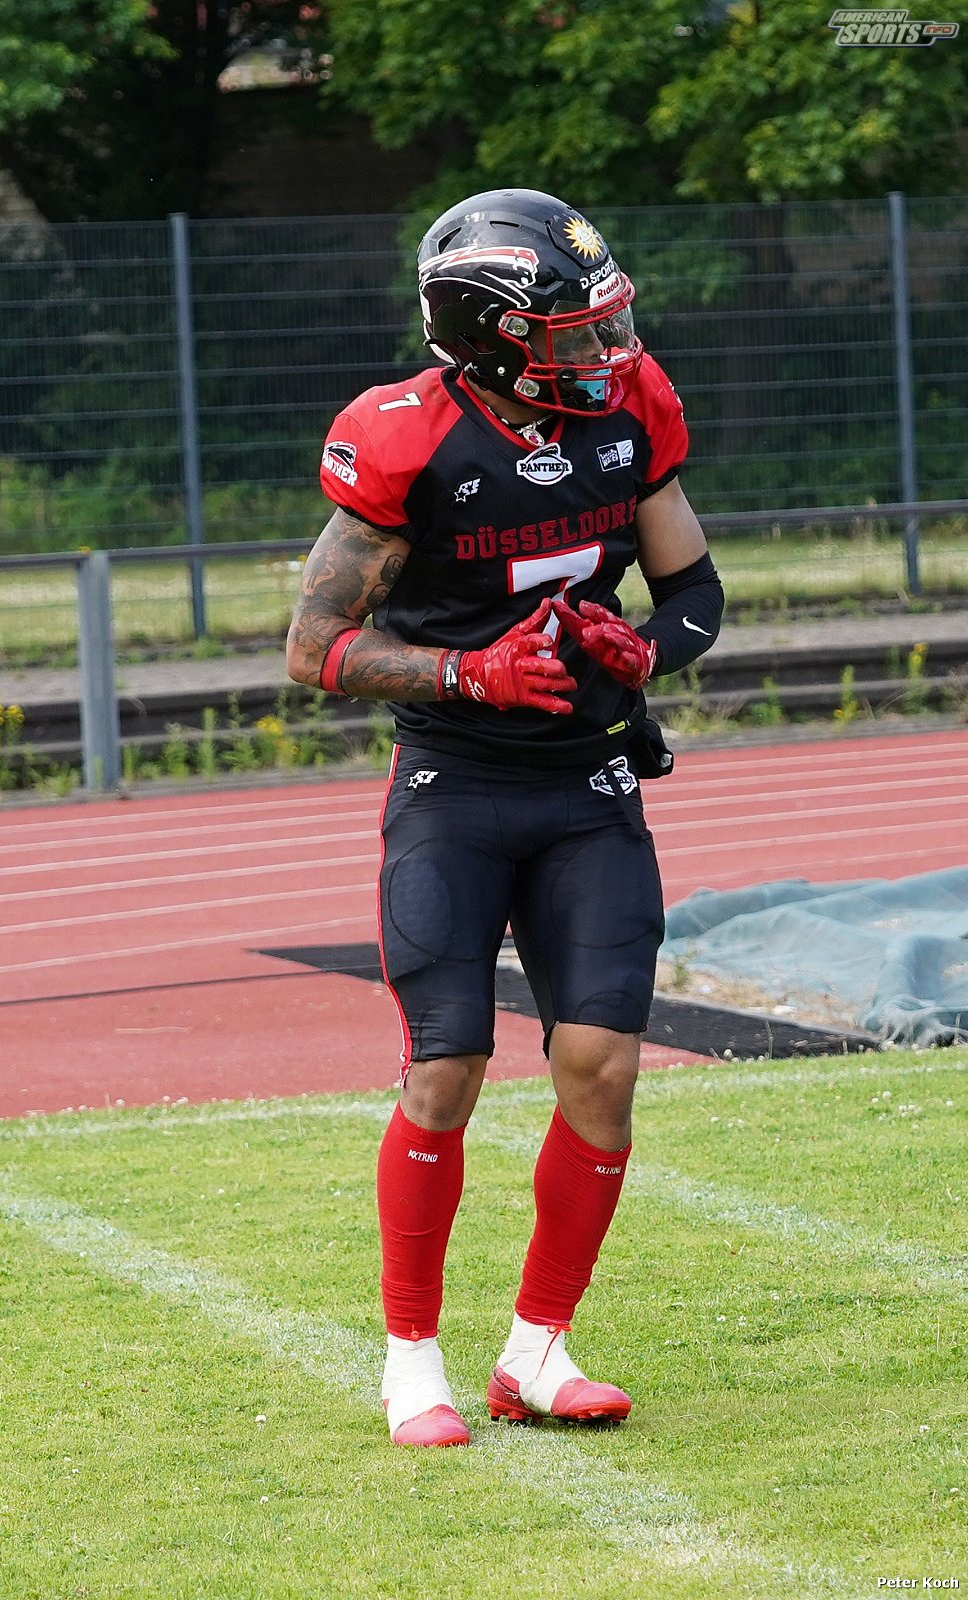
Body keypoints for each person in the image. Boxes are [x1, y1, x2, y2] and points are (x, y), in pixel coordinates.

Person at [286, 188, 724, 1448]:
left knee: (603, 1067)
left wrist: (646, 650)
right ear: (490, 336)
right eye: (575, 331)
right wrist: (465, 673)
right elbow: (315, 645)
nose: (607, 350)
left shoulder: (632, 407)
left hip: (588, 781)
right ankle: (410, 1361)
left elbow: (693, 587)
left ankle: (536, 1350)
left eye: (606, 322)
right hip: (458, 786)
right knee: (446, 1067)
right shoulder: (407, 437)